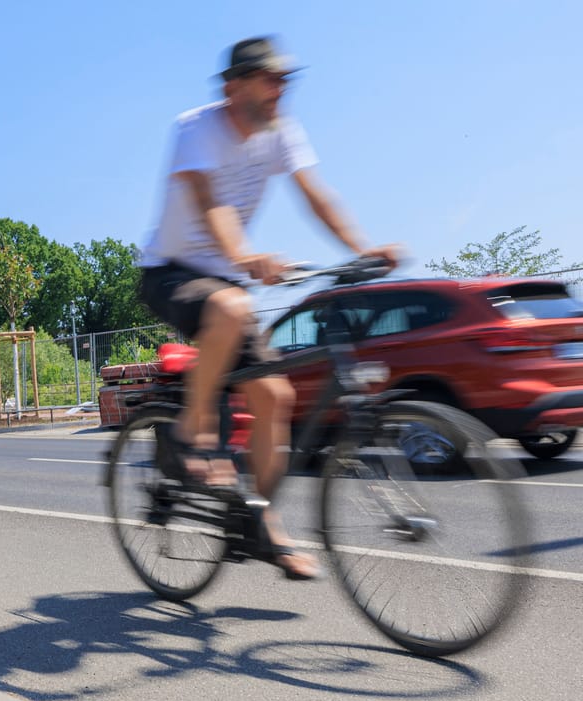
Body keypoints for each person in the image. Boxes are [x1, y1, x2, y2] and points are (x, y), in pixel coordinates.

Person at [137, 37, 401, 580]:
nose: (281, 88)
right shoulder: (197, 128)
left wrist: (362, 249)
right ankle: (194, 429)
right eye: (268, 78)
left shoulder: (281, 133)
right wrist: (244, 255)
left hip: (229, 283)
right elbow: (209, 202)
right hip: (171, 272)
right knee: (232, 307)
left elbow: (315, 194)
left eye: (285, 79)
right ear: (234, 85)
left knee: (274, 394)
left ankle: (262, 525)